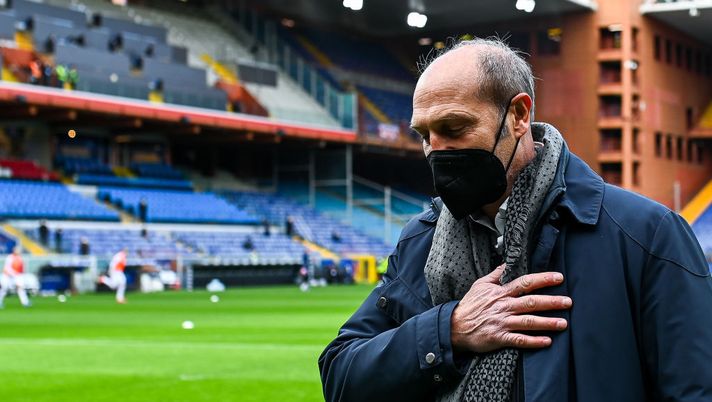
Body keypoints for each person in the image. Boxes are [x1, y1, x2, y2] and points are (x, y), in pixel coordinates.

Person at [319, 38, 712, 402]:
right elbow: (341, 375)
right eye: (425, 135)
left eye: (454, 128)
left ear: (519, 115)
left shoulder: (646, 236)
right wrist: (449, 331)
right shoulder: (420, 240)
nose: (436, 151)